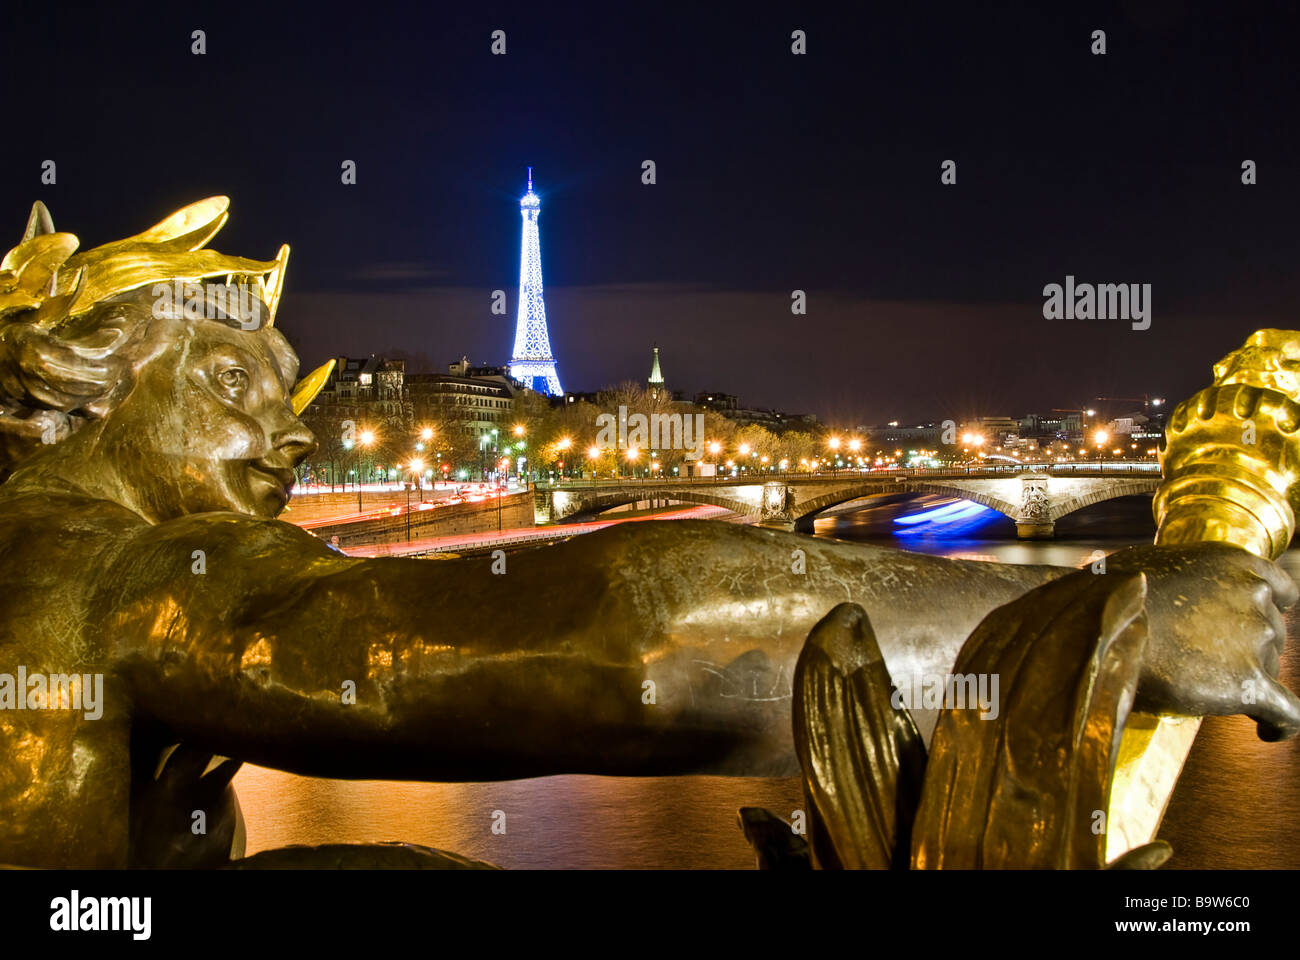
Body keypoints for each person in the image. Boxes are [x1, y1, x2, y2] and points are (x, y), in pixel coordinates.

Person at [0, 199, 1293, 867]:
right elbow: (633, 642)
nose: (287, 434)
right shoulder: (113, 568)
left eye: (293, 393)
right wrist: (1116, 612)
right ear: (84, 385)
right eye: (233, 385)